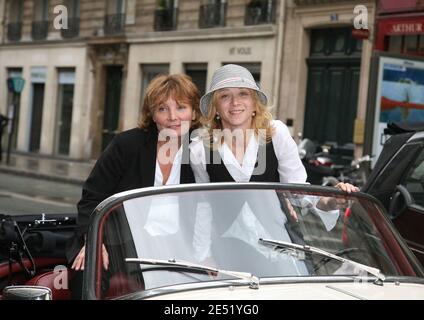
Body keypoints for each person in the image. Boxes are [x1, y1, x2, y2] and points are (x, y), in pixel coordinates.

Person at [188, 64, 358, 266]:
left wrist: (331, 201)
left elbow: (299, 192)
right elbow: (203, 207)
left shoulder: (276, 134)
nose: (235, 102)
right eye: (225, 96)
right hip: (228, 252)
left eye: (243, 94)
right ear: (216, 107)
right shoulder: (200, 149)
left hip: (281, 246)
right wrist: (203, 255)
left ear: (254, 104)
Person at [68, 73, 201, 298]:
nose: (172, 117)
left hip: (176, 246)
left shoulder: (202, 151)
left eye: (181, 107)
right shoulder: (127, 144)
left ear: (194, 112)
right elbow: (92, 197)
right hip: (120, 241)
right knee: (89, 273)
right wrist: (94, 240)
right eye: (162, 109)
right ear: (152, 114)